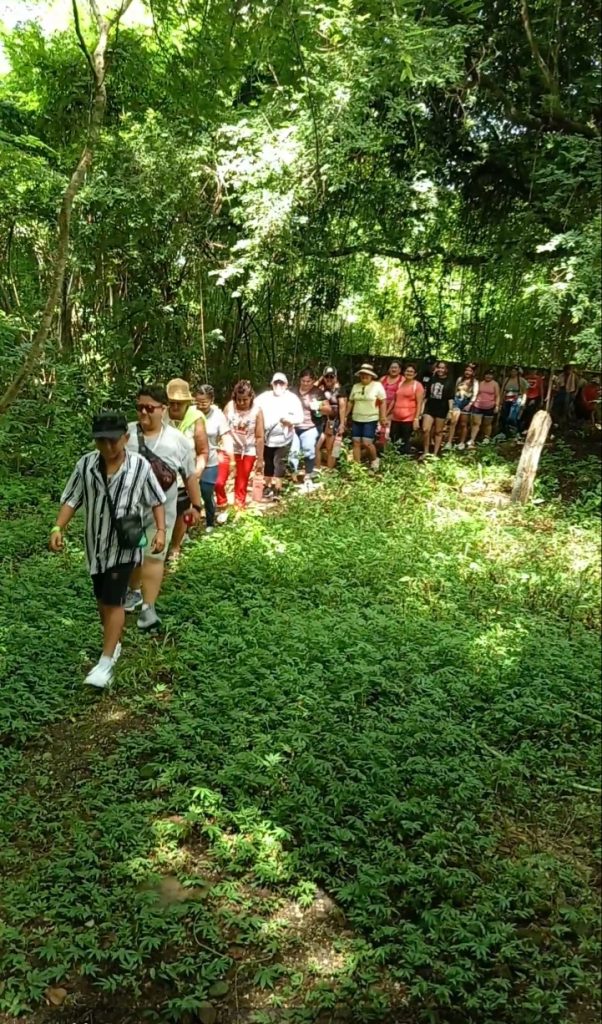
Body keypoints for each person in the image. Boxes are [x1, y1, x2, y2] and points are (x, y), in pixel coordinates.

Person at [50, 412, 167, 688]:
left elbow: (157, 500)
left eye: (114, 441)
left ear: (125, 438)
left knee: (114, 600)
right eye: (102, 441)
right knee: (103, 600)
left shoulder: (139, 466)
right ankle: (112, 643)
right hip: (96, 546)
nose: (108, 447)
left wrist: (161, 531)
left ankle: (105, 663)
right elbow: (71, 498)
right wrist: (58, 528)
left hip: (124, 548)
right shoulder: (86, 466)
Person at [125, 386, 201, 630]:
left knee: (154, 556)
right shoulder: (125, 434)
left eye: (150, 408)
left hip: (163, 512)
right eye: (140, 408)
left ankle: (148, 609)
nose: (144, 412)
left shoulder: (177, 441)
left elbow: (189, 476)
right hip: (129, 511)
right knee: (134, 556)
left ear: (163, 410)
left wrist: (196, 506)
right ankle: (134, 591)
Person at [164, 377, 209, 561]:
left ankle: (175, 546)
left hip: (185, 476)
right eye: (171, 403)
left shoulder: (196, 419)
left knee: (182, 510)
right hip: (162, 475)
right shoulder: (161, 416)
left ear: (186, 403)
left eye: (179, 403)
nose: (174, 407)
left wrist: (195, 474)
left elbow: (203, 451)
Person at [256, 373, 303, 499]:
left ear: (286, 385)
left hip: (284, 439)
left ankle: (277, 489)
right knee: (268, 462)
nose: (278, 385)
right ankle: (267, 486)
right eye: (276, 383)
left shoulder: (292, 398)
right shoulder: (264, 397)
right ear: (272, 384)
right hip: (267, 438)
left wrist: (290, 421)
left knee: (279, 463)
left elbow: (300, 417)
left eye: (281, 383)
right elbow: (253, 408)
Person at [195, 384, 236, 527]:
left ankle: (210, 522)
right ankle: (187, 527)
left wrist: (231, 460)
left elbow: (226, 437)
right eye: (197, 402)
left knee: (207, 492)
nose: (200, 405)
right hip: (191, 460)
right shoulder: (190, 412)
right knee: (189, 494)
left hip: (211, 460)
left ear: (211, 400)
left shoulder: (218, 416)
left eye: (204, 402)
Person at [223, 380, 265, 507]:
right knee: (220, 479)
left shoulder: (257, 411)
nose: (241, 403)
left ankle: (239, 506)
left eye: (245, 400)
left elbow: (259, 436)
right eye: (238, 400)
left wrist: (260, 459)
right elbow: (222, 428)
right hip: (230, 446)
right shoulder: (229, 407)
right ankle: (221, 503)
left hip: (248, 449)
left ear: (251, 397)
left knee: (242, 479)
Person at [291, 368, 328, 490]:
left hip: (310, 426)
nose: (306, 383)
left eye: (308, 381)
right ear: (300, 380)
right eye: (303, 381)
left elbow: (329, 410)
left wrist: (319, 406)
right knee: (293, 453)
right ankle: (294, 477)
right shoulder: (293, 391)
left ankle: (308, 476)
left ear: (313, 381)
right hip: (294, 426)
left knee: (308, 449)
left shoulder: (317, 392)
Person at [346, 363, 387, 470]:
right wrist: (345, 415)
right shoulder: (356, 386)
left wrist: (383, 417)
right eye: (362, 374)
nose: (364, 376)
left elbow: (383, 401)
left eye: (367, 374)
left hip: (370, 418)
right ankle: (357, 466)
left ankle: (374, 460)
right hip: (356, 418)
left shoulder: (377, 385)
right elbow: (350, 402)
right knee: (356, 441)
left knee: (367, 442)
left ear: (372, 375)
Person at [388, 363, 424, 455]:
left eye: (411, 371)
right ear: (404, 372)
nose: (409, 373)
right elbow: (394, 400)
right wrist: (387, 413)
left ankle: (404, 460)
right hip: (395, 417)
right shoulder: (400, 384)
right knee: (393, 437)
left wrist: (416, 418)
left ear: (415, 374)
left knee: (405, 439)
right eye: (407, 371)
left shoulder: (417, 385)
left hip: (408, 418)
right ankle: (393, 458)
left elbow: (419, 403)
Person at [315, 366, 347, 470]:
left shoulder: (339, 390)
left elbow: (342, 407)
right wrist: (321, 379)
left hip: (335, 421)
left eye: (331, 376)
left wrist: (342, 424)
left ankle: (331, 470)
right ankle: (318, 469)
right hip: (322, 421)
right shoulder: (321, 389)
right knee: (317, 446)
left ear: (336, 377)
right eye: (326, 376)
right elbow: (312, 387)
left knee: (332, 448)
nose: (329, 378)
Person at [421, 360, 454, 457]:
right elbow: (426, 396)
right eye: (439, 367)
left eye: (443, 368)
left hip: (442, 408)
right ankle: (426, 452)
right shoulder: (432, 379)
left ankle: (435, 454)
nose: (440, 369)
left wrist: (450, 411)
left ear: (446, 370)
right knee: (425, 429)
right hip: (430, 407)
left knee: (438, 432)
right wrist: (422, 409)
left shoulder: (449, 382)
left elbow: (450, 398)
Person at [444, 364, 479, 451]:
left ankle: (462, 442)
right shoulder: (460, 379)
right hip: (457, 401)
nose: (467, 372)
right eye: (466, 370)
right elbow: (455, 390)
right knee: (453, 422)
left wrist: (469, 404)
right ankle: (449, 442)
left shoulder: (475, 382)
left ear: (473, 372)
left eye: (470, 371)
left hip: (466, 403)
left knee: (463, 424)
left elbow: (475, 395)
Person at [467, 370, 500, 447]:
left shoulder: (495, 384)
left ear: (492, 376)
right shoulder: (480, 383)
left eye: (490, 375)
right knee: (476, 423)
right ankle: (472, 439)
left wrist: (497, 406)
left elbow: (498, 395)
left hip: (489, 406)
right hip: (478, 405)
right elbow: (476, 393)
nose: (488, 376)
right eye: (487, 374)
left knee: (487, 424)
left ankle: (486, 438)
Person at [500, 366, 529, 435]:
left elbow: (525, 392)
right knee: (505, 417)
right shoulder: (506, 379)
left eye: (514, 371)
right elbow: (502, 390)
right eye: (512, 371)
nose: (513, 373)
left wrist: (523, 402)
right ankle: (506, 432)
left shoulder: (522, 380)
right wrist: (500, 400)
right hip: (506, 400)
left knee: (512, 417)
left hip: (516, 400)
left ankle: (516, 431)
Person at [522, 367, 546, 433]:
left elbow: (541, 389)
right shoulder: (526, 378)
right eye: (531, 369)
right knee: (525, 412)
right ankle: (525, 427)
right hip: (527, 397)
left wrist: (541, 399)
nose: (533, 371)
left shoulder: (539, 379)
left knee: (532, 412)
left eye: (534, 370)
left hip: (535, 397)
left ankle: (532, 427)